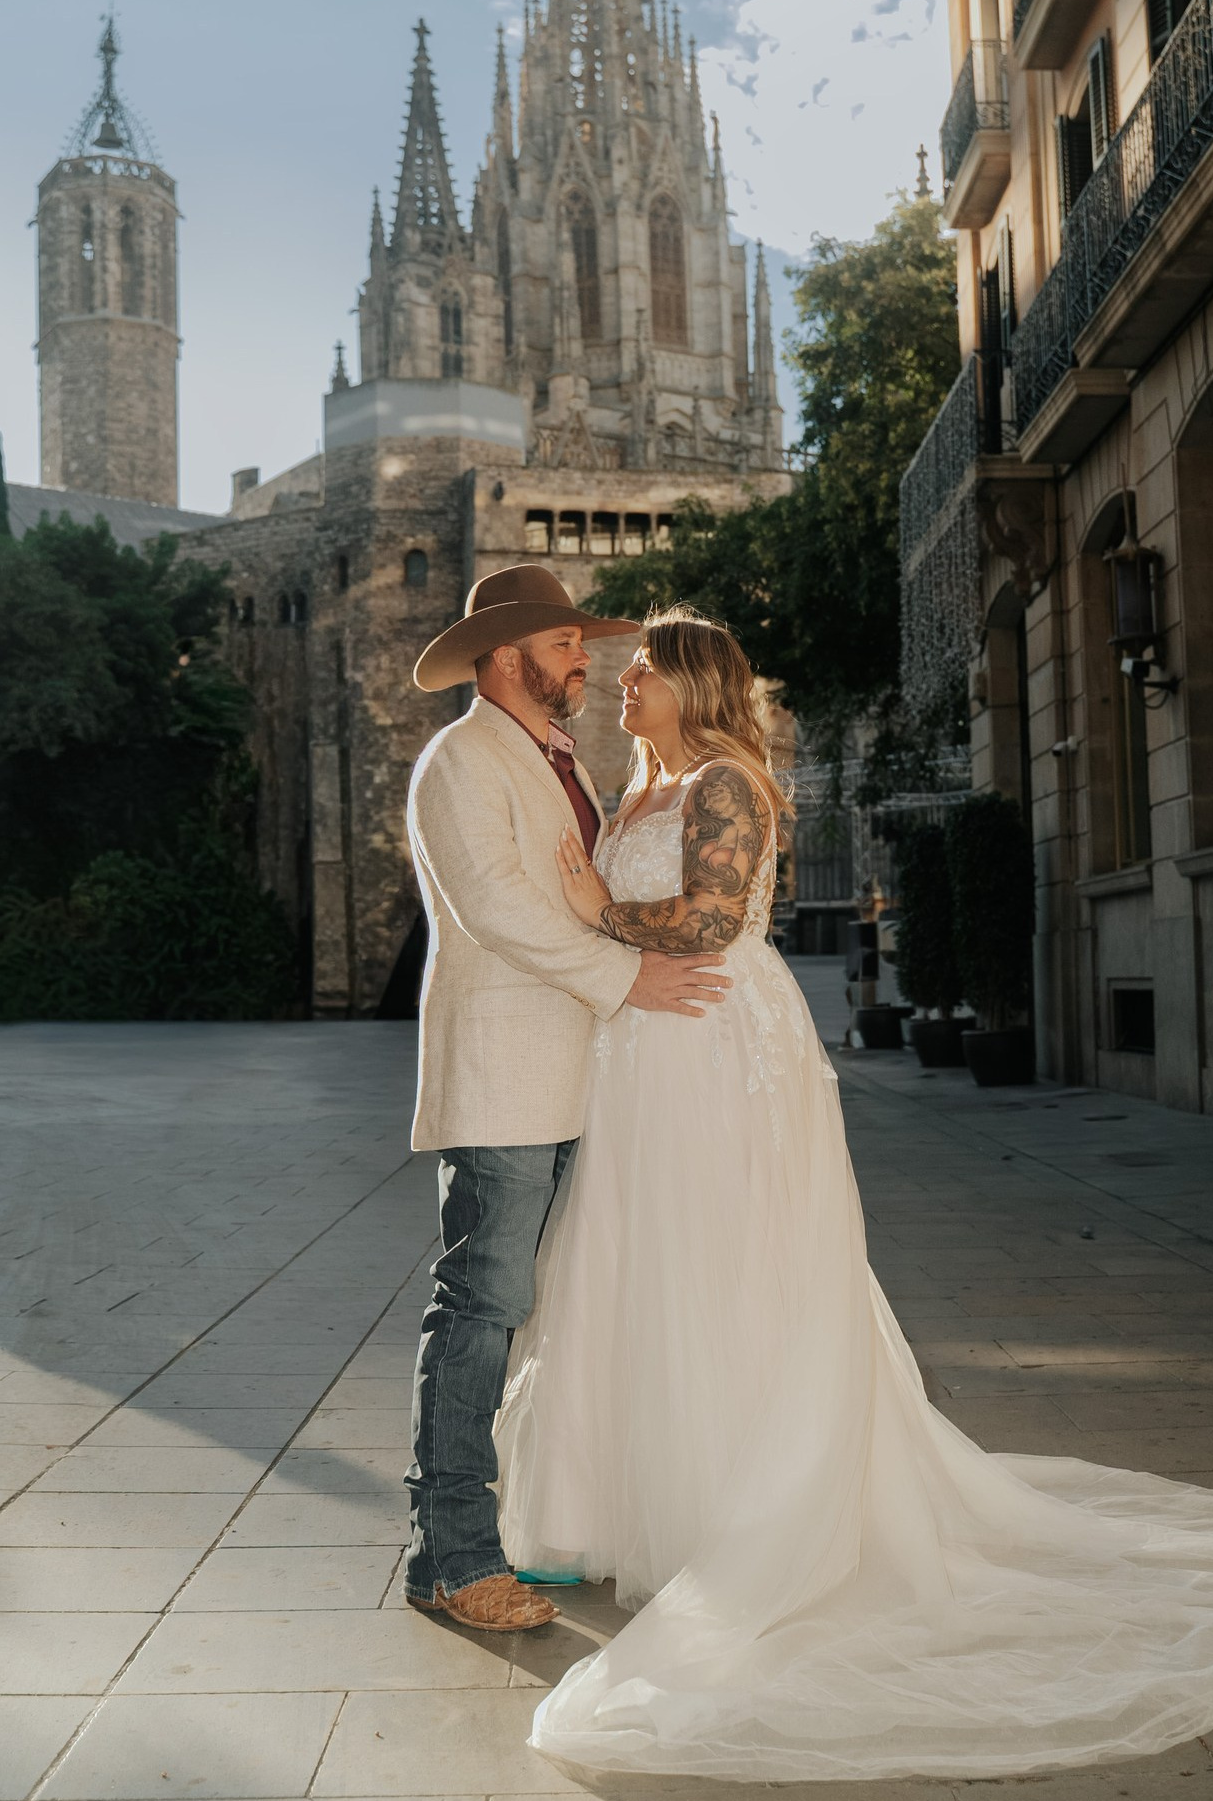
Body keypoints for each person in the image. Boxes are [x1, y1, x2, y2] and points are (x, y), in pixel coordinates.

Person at [493, 605, 1213, 1781]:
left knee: (729, 1257)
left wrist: (592, 908)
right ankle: (624, 1500)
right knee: (630, 1259)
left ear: (697, 683)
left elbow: (705, 920)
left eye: (645, 670)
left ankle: (744, 1505)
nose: (622, 684)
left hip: (717, 1049)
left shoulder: (729, 784)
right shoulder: (636, 791)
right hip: (638, 1054)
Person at [403, 566, 731, 1634]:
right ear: (506, 656)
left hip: (578, 1075)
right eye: (562, 643)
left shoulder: (561, 762)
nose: (581, 657)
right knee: (480, 1310)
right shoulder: (460, 760)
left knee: (545, 1311)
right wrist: (627, 978)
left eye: (581, 642)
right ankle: (451, 1556)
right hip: (503, 1081)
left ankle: (564, 1520)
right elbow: (498, 907)